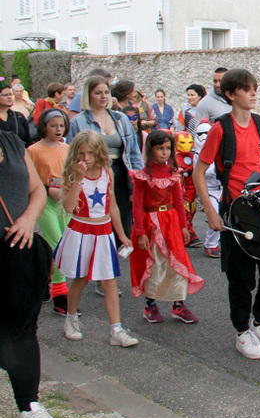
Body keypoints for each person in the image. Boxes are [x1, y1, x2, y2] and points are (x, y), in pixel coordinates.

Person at [193, 68, 260, 360]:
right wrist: (210, 211)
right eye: (247, 89)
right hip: (235, 212)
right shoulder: (220, 129)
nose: (254, 93)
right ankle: (242, 330)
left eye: (255, 87)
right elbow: (198, 171)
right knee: (241, 278)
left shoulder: (259, 123)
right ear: (231, 94)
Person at [0, 121, 61, 418]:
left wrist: (27, 218)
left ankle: (29, 405)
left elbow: (37, 189)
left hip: (15, 249)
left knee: (22, 326)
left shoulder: (11, 142)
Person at [53, 130, 138, 348]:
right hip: (81, 231)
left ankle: (116, 329)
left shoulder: (107, 172)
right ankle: (70, 319)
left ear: (99, 152)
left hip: (103, 232)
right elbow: (69, 207)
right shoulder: (74, 173)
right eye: (81, 153)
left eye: (90, 153)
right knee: (80, 278)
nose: (85, 158)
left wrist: (121, 234)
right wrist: (78, 180)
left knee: (109, 281)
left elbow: (113, 206)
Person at [129, 130, 203, 324]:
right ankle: (150, 305)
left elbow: (178, 200)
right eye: (160, 148)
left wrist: (184, 226)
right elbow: (137, 205)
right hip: (150, 223)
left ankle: (178, 305)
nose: (164, 152)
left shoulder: (173, 173)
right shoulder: (143, 176)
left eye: (168, 148)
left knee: (176, 262)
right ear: (150, 150)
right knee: (154, 263)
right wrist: (140, 232)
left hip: (170, 223)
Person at [68, 76, 144, 239]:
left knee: (123, 221)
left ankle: (113, 256)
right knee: (96, 219)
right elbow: (71, 154)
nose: (103, 96)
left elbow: (133, 151)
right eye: (98, 93)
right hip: (92, 173)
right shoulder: (78, 121)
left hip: (120, 172)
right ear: (88, 95)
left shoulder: (120, 118)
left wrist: (140, 178)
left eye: (106, 92)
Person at [26, 109, 72, 314]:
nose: (58, 129)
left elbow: (73, 173)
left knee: (66, 243)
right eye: (53, 125)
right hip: (45, 202)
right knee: (58, 245)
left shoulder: (67, 148)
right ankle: (60, 296)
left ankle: (44, 280)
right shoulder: (33, 150)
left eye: (61, 125)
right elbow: (28, 179)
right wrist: (47, 190)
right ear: (44, 126)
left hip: (65, 201)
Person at [191, 121, 222, 258]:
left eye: (207, 134)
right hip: (208, 188)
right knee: (213, 213)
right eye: (201, 134)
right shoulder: (197, 154)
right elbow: (202, 173)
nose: (204, 137)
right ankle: (210, 245)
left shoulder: (219, 149)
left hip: (221, 187)